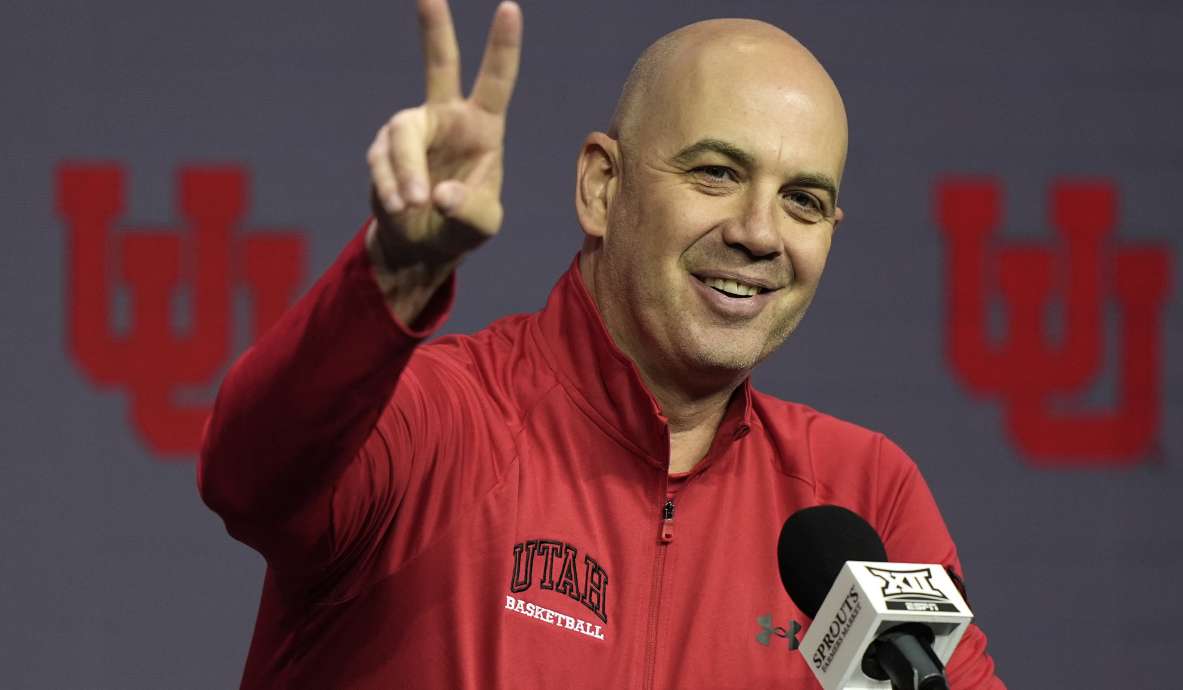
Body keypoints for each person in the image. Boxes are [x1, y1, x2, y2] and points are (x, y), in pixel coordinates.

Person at [197, 0, 1006, 687]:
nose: (760, 234)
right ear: (602, 187)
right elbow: (248, 474)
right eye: (716, 173)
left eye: (803, 200)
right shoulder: (443, 421)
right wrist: (395, 275)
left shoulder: (863, 498)